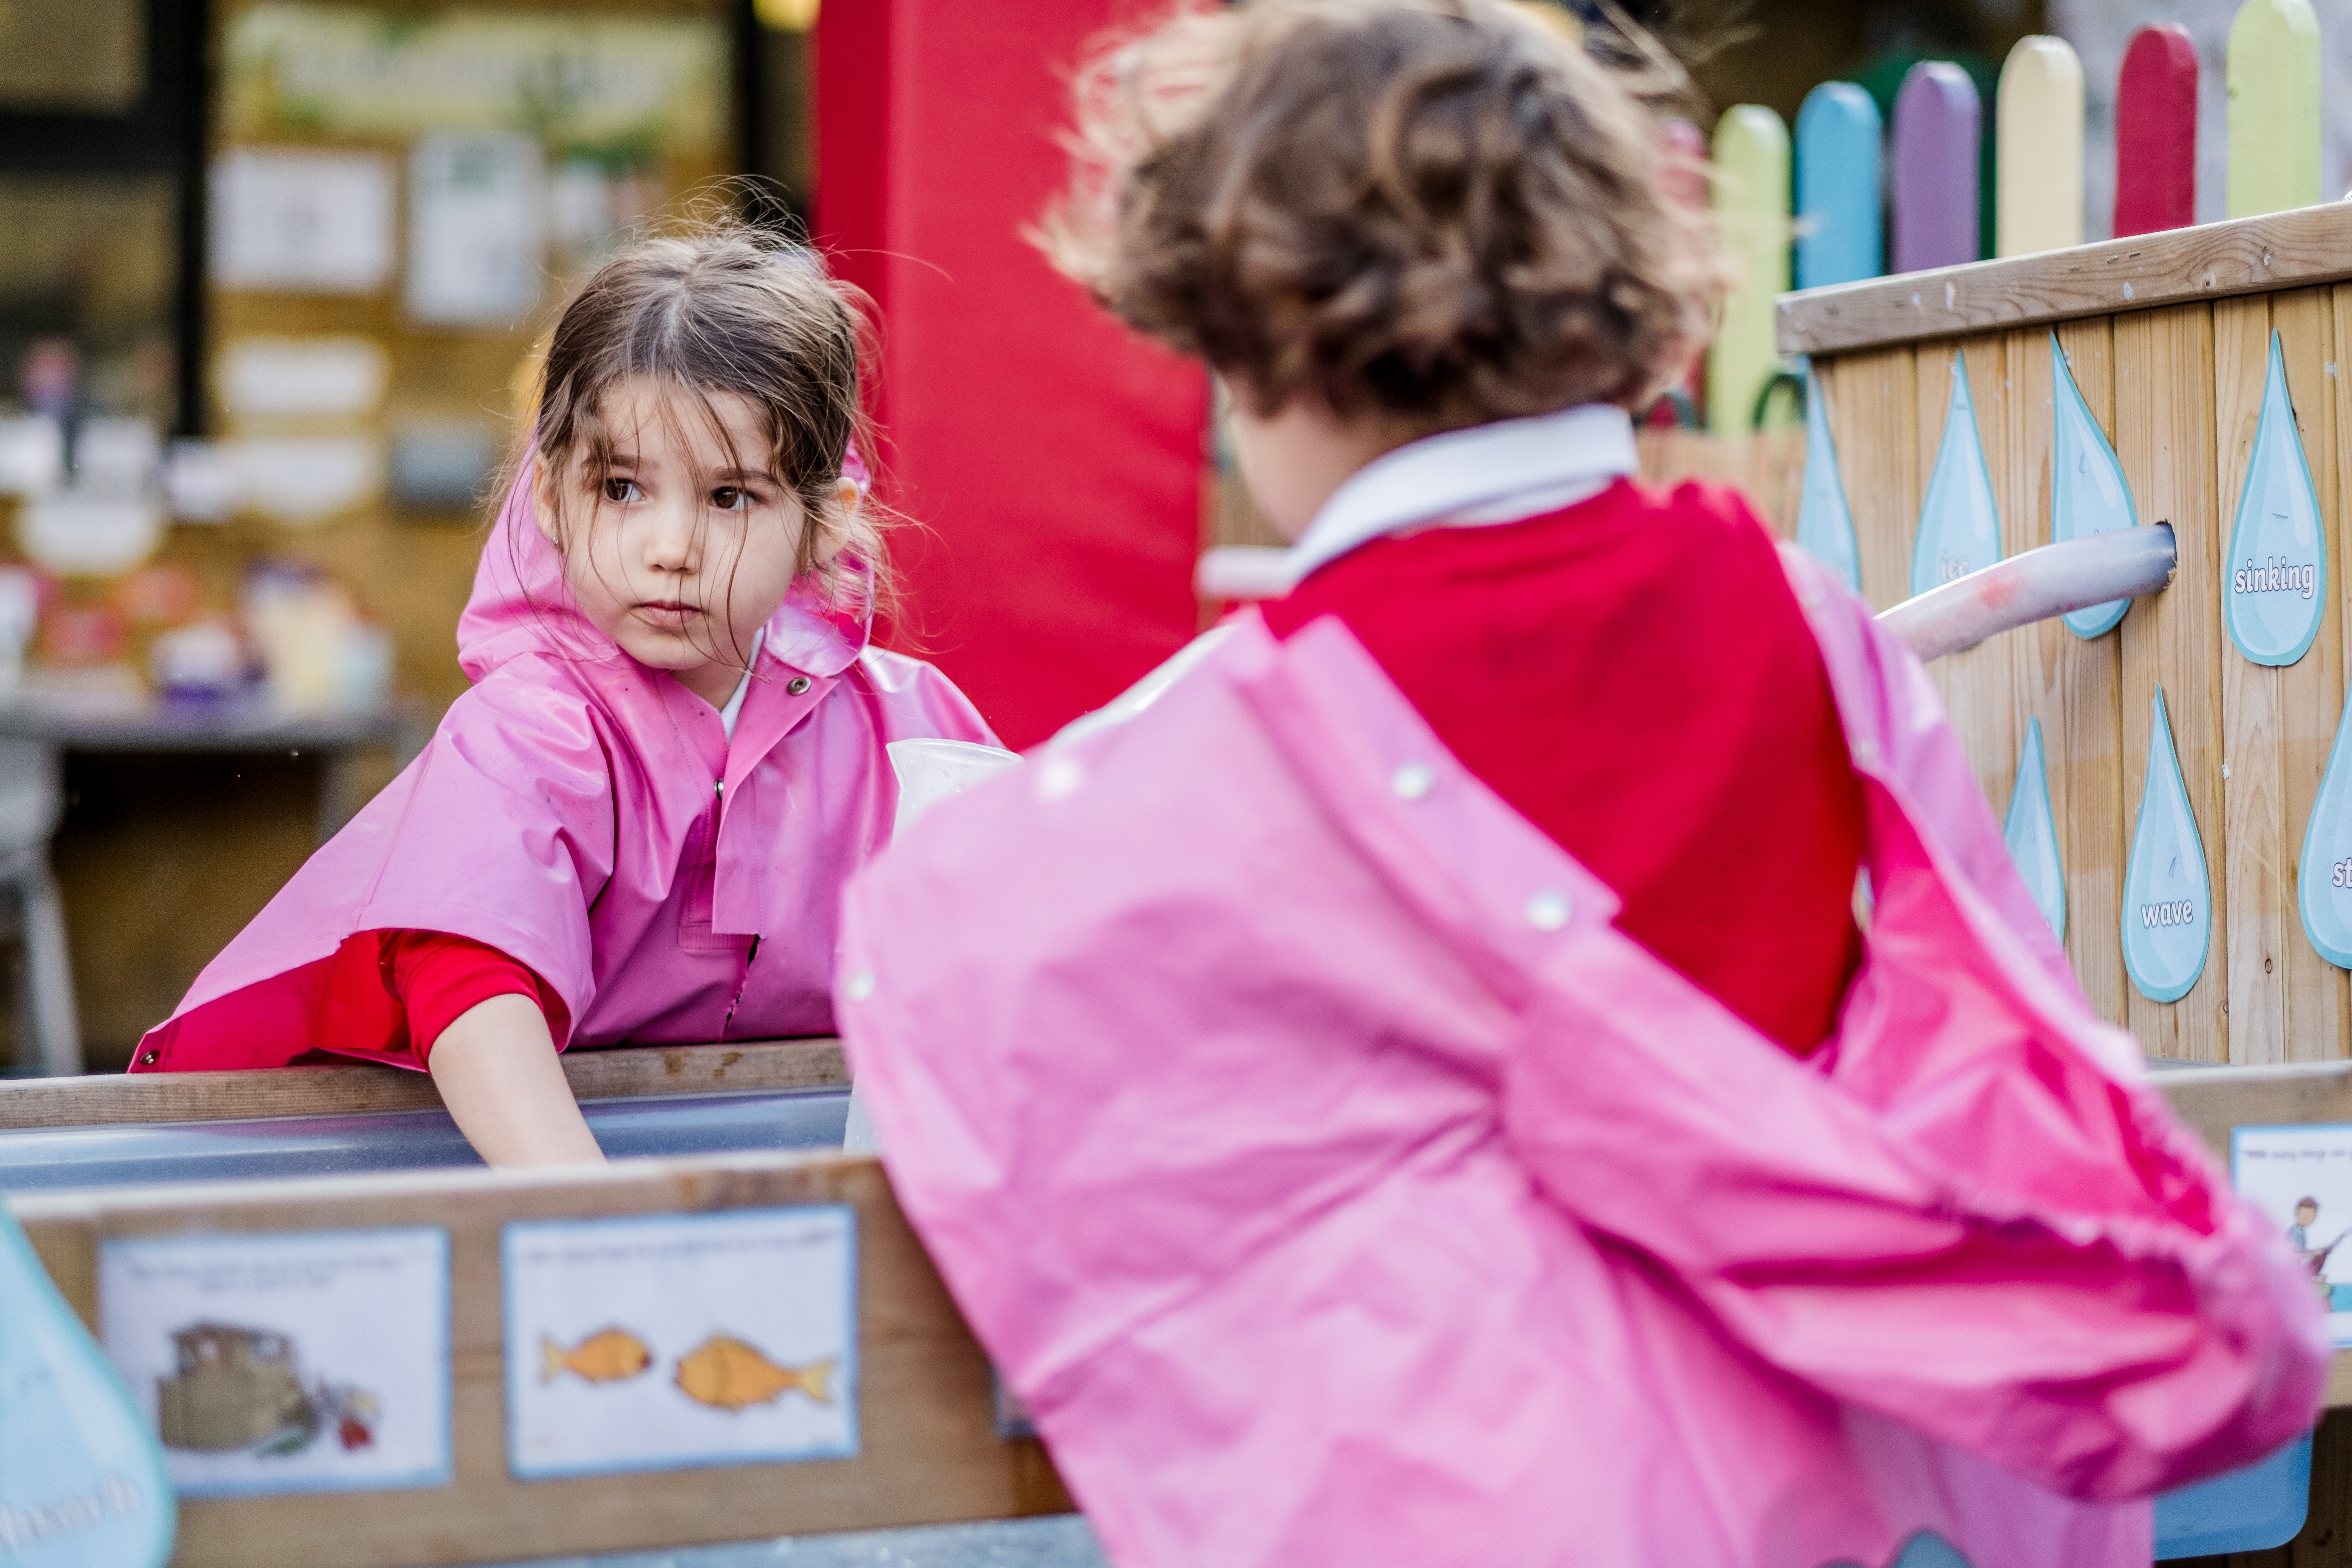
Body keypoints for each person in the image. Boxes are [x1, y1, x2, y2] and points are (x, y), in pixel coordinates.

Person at [829, 4, 2327, 1565]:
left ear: (1263, 340)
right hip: (1839, 1466)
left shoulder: (1255, 726)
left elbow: (966, 986)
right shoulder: (1799, 619)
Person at [132, 226, 995, 1167]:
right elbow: (471, 982)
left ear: (824, 521)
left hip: (822, 1197)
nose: (671, 544)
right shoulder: (529, 729)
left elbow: (1014, 959)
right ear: (550, 497)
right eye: (622, 487)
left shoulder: (911, 729)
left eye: (730, 496)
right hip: (525, 1193)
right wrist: (596, 1222)